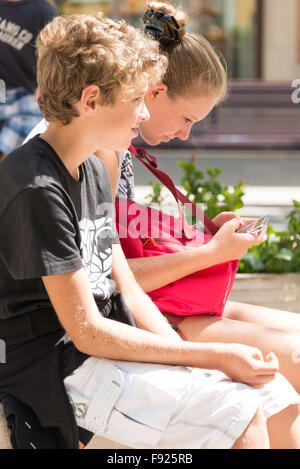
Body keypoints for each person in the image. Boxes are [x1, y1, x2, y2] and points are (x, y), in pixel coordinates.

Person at [2, 13, 300, 451]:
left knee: (270, 392)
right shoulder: (37, 187)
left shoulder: (90, 167)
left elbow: (124, 288)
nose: (142, 112)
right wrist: (209, 357)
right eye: (136, 99)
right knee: (237, 410)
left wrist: (196, 365)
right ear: (91, 101)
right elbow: (85, 328)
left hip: (105, 341)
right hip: (60, 363)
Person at [0, 0, 57, 159]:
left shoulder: (42, 10)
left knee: (17, 144)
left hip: (25, 92)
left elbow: (53, 54)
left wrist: (44, 85)